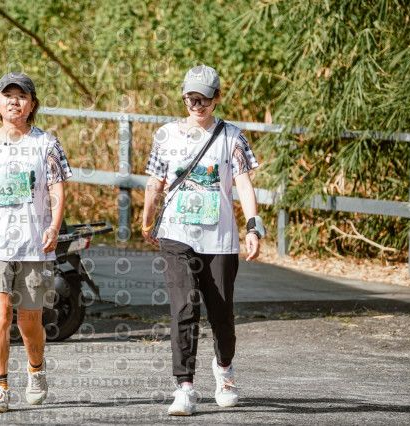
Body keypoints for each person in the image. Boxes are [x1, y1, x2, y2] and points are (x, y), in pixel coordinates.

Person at [141, 64, 266, 416]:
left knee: (221, 313)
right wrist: (147, 218)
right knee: (184, 308)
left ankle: (224, 371)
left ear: (217, 98)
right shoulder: (166, 135)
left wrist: (253, 227)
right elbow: (155, 181)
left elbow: (244, 185)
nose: (197, 106)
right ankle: (184, 387)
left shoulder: (231, 137)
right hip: (176, 234)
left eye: (204, 99)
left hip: (219, 239)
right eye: (190, 99)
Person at [0, 72, 72, 413]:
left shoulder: (47, 144)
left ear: (32, 104)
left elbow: (57, 188)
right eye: (7, 96)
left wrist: (54, 226)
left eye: (21, 96)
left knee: (29, 321)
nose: (14, 101)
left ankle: (36, 370)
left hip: (34, 244)